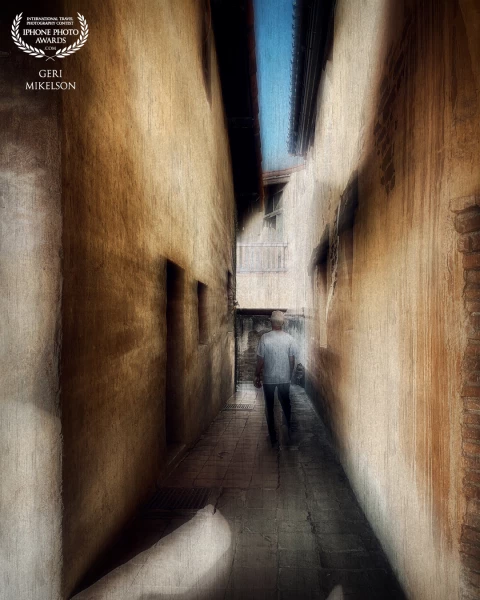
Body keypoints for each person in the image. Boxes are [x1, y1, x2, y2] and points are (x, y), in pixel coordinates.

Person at [254, 310, 296, 447]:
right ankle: (288, 431)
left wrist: (257, 375)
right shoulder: (289, 338)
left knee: (270, 407)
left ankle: (273, 437)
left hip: (269, 378)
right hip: (284, 377)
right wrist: (289, 374)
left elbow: (260, 360)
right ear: (282, 323)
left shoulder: (265, 338)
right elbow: (292, 359)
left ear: (271, 322)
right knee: (286, 405)